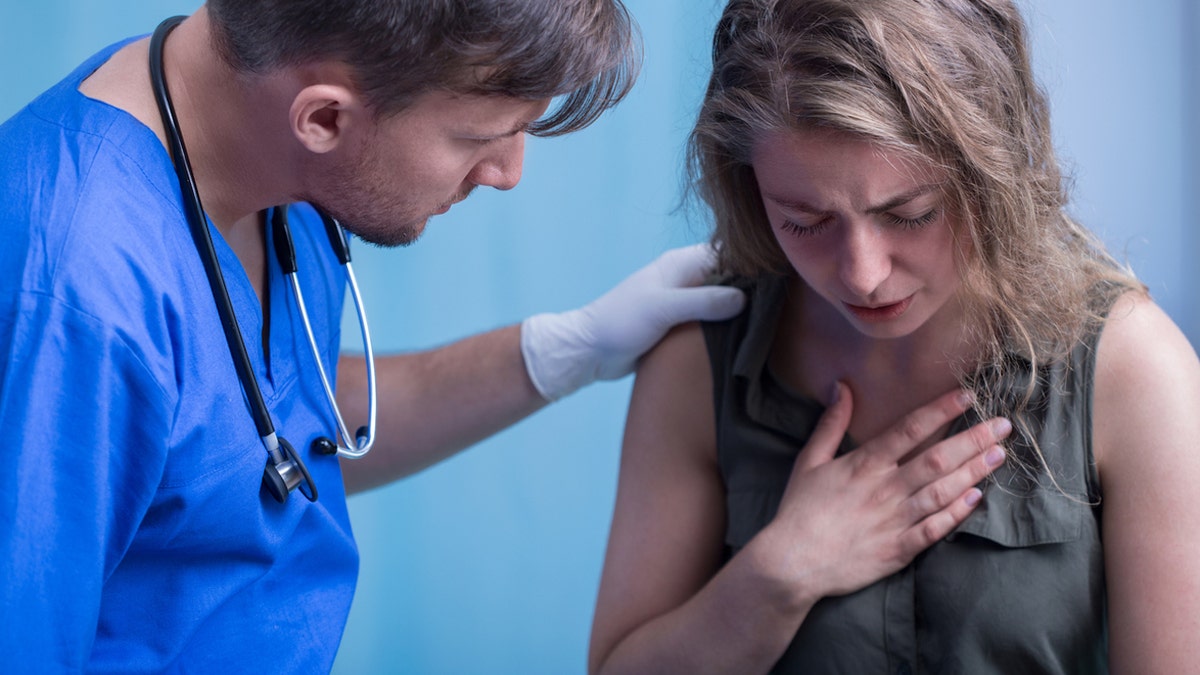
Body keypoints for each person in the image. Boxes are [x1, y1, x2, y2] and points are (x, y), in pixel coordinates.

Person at [0, 1, 748, 671]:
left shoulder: (239, 117)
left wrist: (562, 351)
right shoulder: (72, 297)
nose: (508, 171)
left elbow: (258, 422)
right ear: (324, 118)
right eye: (481, 136)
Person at [588, 0, 1200, 672]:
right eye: (805, 221)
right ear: (747, 188)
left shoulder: (1132, 369)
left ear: (992, 171)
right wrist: (775, 578)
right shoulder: (696, 363)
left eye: (911, 213)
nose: (863, 274)